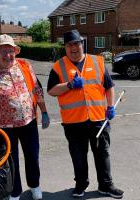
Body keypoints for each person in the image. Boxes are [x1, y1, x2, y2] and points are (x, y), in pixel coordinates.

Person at [47, 29, 124, 199]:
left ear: (82, 44)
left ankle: (106, 185)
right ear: (65, 47)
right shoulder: (58, 66)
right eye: (69, 45)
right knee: (78, 156)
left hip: (98, 119)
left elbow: (109, 86)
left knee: (102, 154)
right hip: (73, 122)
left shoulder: (97, 61)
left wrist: (110, 107)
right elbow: (51, 91)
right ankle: (81, 185)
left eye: (76, 44)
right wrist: (69, 85)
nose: (74, 48)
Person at [0, 34, 50, 200]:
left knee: (32, 156)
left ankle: (34, 186)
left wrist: (44, 111)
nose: (7, 55)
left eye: (10, 50)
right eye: (3, 51)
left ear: (15, 52)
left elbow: (37, 91)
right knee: (11, 161)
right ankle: (14, 192)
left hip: (28, 122)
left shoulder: (25, 66)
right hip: (4, 127)